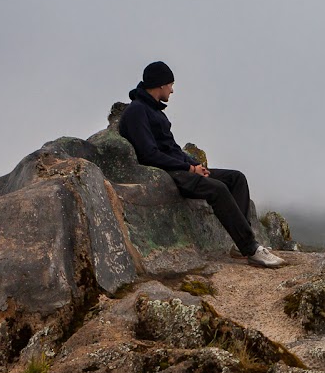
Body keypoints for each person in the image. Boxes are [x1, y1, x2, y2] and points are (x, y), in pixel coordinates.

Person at [119, 61, 286, 268]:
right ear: (160, 85)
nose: (172, 90)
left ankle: (240, 244)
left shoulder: (155, 111)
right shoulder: (137, 111)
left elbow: (172, 147)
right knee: (218, 189)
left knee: (236, 178)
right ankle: (251, 249)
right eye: (170, 84)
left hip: (180, 168)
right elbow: (148, 154)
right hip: (168, 174)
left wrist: (195, 163)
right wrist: (189, 169)